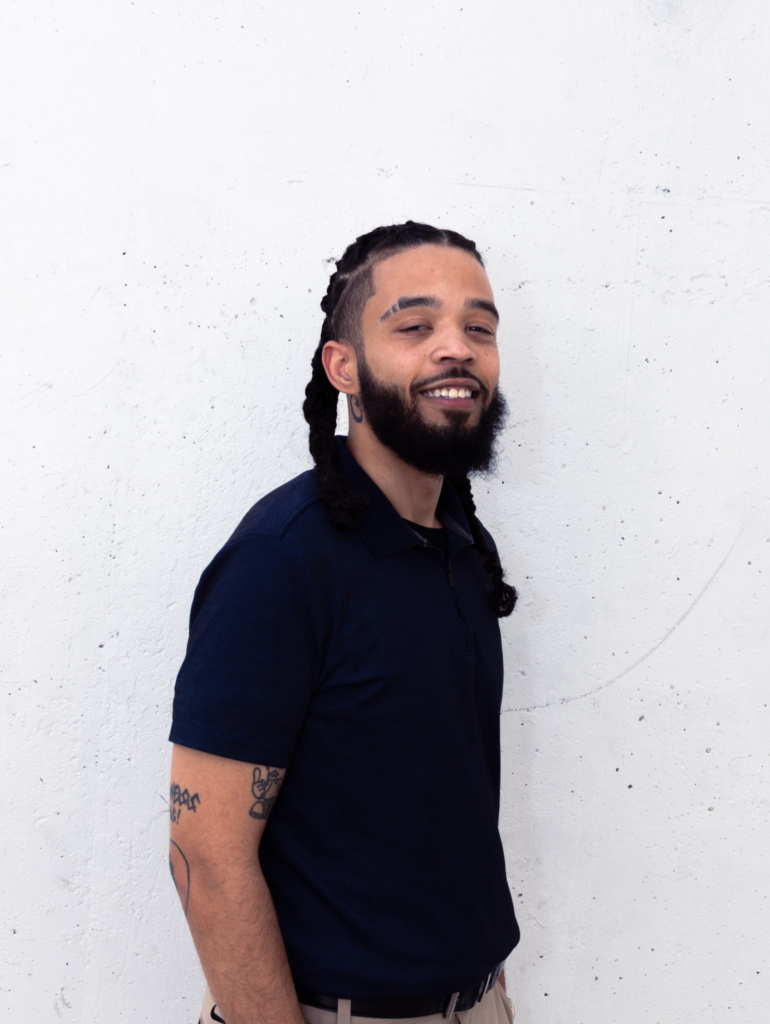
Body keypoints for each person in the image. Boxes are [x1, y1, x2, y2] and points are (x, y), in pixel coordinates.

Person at [168, 221, 520, 1024]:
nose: (456, 349)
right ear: (344, 368)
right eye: (414, 326)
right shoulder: (282, 562)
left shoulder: (462, 550)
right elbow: (205, 857)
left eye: (479, 328)